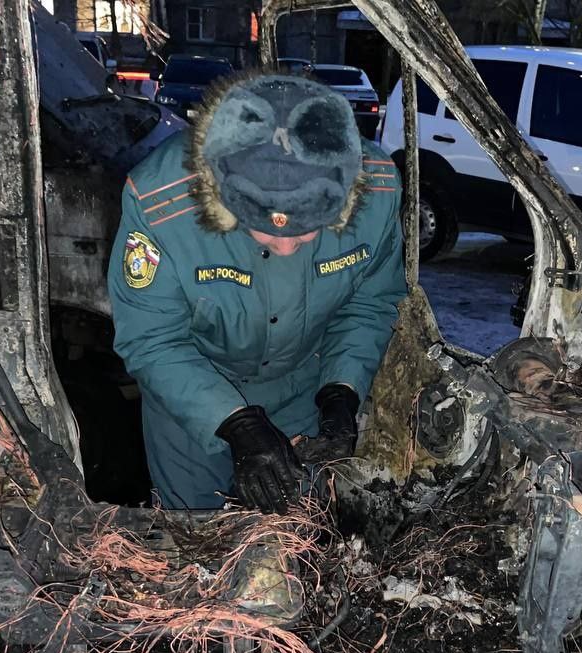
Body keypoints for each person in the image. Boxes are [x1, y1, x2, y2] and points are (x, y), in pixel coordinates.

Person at [107, 71, 407, 512]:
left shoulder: (378, 190)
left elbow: (369, 304)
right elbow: (153, 339)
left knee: (296, 538)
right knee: (197, 544)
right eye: (262, 231)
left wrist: (341, 392)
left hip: (302, 390)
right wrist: (236, 423)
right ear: (219, 195)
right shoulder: (159, 203)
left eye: (307, 231)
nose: (286, 247)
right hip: (191, 396)